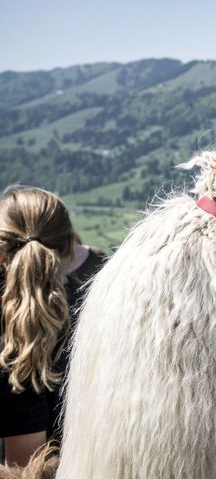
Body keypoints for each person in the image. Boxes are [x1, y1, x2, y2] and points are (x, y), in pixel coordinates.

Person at [0, 186, 106, 466]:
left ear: (2, 255)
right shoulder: (99, 310)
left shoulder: (10, 332)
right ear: (70, 247)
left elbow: (21, 465)